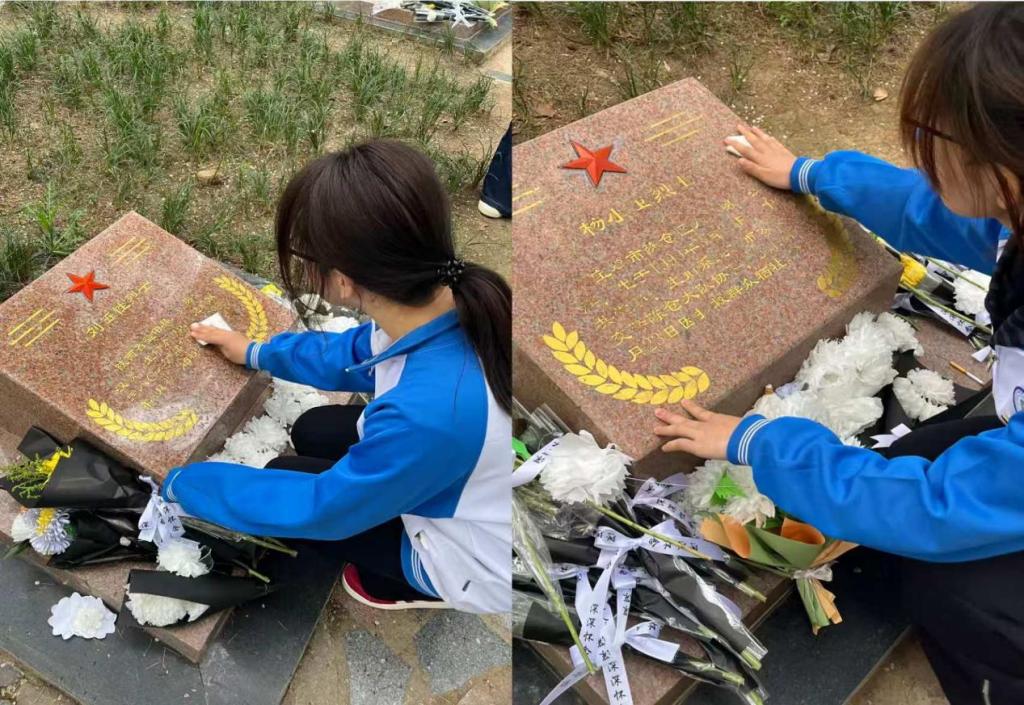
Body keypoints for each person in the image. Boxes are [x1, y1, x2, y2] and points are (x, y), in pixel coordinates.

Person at [653, 5, 1024, 704]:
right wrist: (813, 174)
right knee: (917, 456)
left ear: (1000, 163)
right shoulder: (1017, 207)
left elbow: (939, 509)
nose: (919, 150)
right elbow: (933, 212)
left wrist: (759, 440)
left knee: (953, 586)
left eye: (932, 135)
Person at [162, 140, 512, 614]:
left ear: (344, 280)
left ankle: (407, 584)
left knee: (287, 476)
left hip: (471, 559)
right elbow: (351, 353)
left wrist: (184, 485)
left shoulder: (427, 416)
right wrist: (255, 351)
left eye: (304, 257)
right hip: (460, 473)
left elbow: (323, 510)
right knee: (314, 430)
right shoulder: (442, 299)